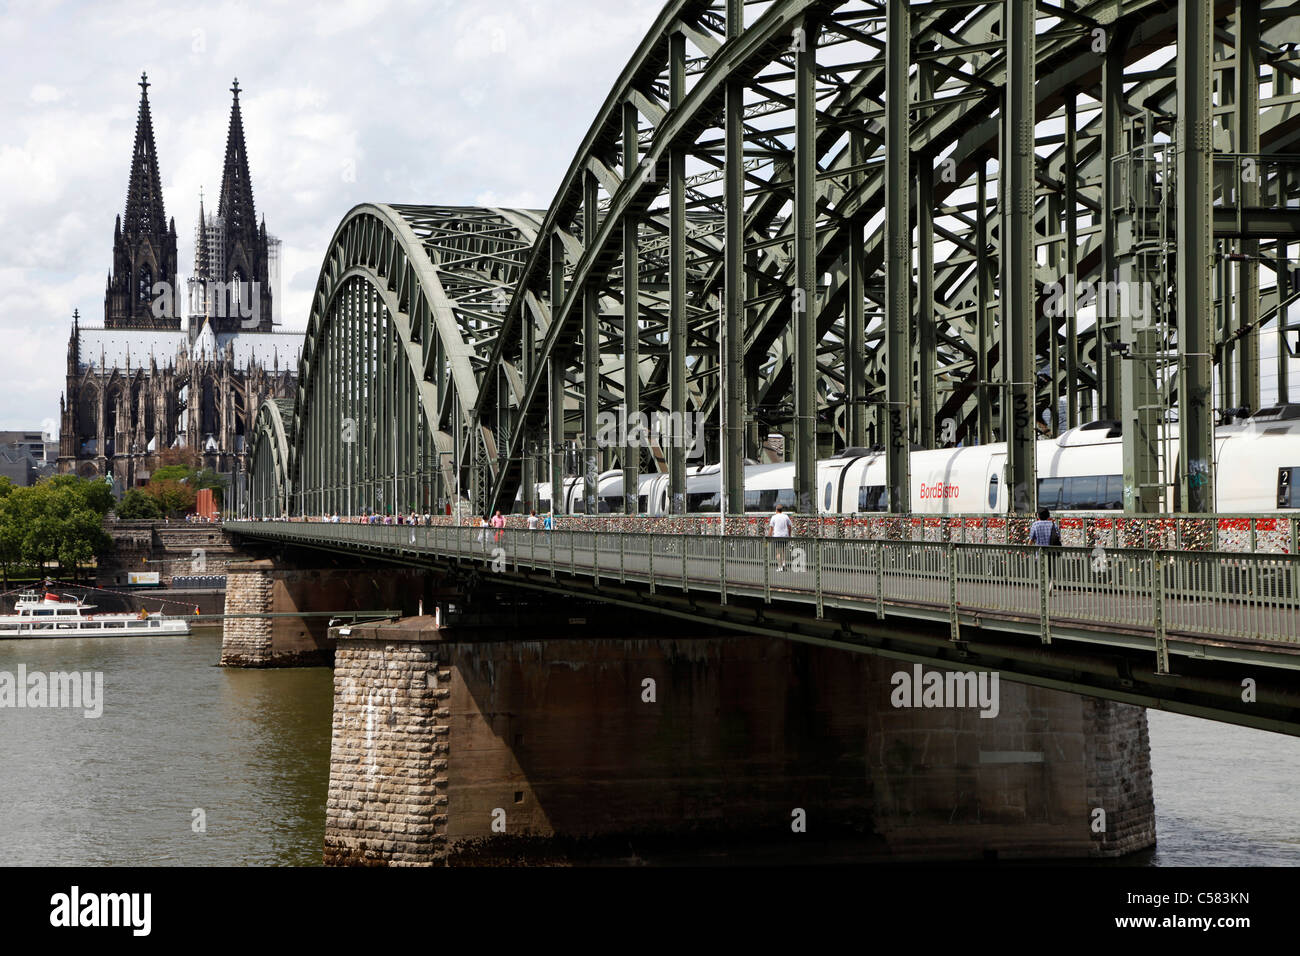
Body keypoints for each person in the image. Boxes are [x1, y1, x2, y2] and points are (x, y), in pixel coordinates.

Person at [767, 504, 793, 572]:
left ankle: (780, 567)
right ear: (782, 510)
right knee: (783, 551)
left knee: (778, 552)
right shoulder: (786, 517)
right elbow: (790, 527)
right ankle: (784, 564)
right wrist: (789, 535)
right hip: (785, 535)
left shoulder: (774, 517)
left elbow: (771, 528)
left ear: (776, 510)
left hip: (777, 536)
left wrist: (769, 536)